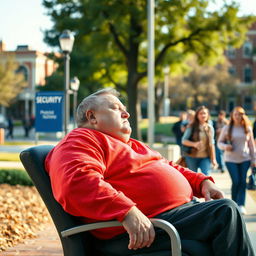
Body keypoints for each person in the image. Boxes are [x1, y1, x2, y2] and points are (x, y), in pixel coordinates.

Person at [45, 88, 254, 256]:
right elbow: (77, 183)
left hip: (172, 216)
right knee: (225, 211)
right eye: (116, 108)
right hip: (140, 229)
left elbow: (168, 166)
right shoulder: (81, 140)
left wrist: (202, 183)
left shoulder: (131, 145)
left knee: (224, 213)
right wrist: (126, 211)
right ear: (92, 117)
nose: (126, 114)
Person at [218, 106, 256, 215]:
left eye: (240, 114)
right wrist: (226, 147)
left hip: (245, 159)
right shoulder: (227, 128)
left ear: (243, 115)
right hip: (230, 159)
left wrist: (254, 159)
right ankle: (234, 203)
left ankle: (241, 204)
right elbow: (219, 143)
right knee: (236, 181)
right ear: (232, 115)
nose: (238, 116)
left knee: (242, 181)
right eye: (236, 114)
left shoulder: (247, 128)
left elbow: (252, 145)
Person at [181, 106, 217, 176]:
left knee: (206, 176)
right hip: (192, 157)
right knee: (193, 177)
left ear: (208, 115)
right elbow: (183, 140)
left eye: (204, 113)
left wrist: (213, 159)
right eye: (200, 113)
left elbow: (212, 144)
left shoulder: (210, 128)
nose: (203, 115)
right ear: (197, 115)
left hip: (205, 157)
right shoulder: (191, 127)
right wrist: (194, 144)